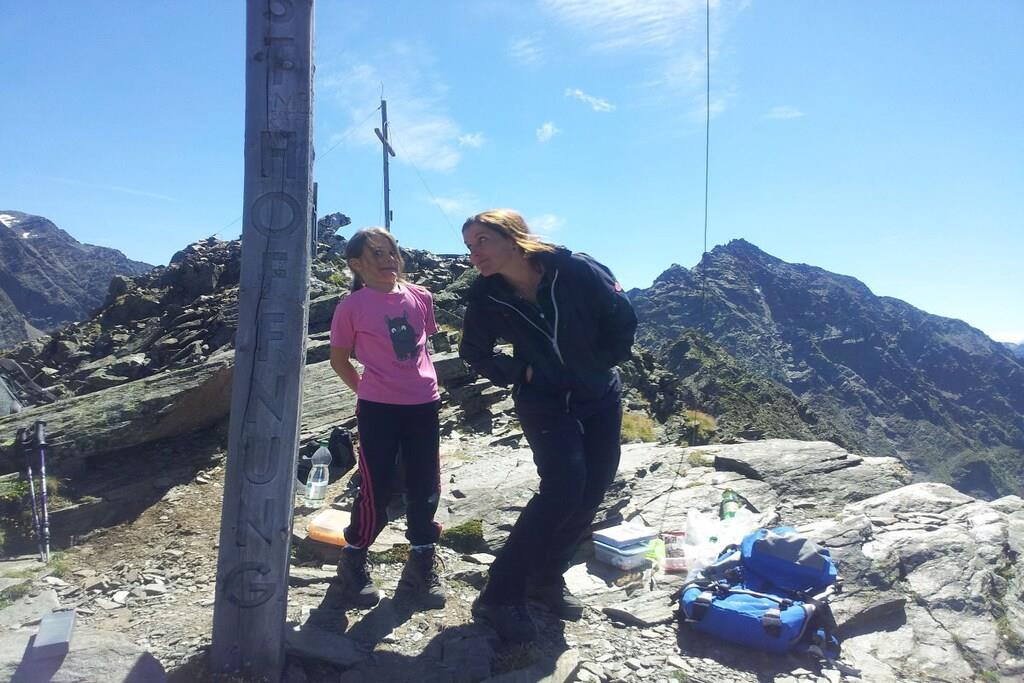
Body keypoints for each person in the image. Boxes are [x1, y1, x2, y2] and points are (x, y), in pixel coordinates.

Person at [459, 209, 638, 642]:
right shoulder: (486, 295)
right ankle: (499, 595)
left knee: (593, 488)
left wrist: (598, 362)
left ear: (512, 237)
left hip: (599, 395)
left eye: (482, 241)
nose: (474, 254)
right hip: (542, 400)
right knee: (563, 489)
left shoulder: (574, 269)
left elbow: (621, 315)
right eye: (468, 246)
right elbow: (474, 351)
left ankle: (546, 578)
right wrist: (521, 373)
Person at [329, 227, 445, 610]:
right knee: (376, 485)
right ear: (356, 264)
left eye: (392, 251)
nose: (388, 259)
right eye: (376, 254)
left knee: (425, 483)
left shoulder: (421, 297)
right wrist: (366, 390)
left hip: (424, 404)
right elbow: (339, 360)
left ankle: (422, 561)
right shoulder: (351, 307)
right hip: (378, 409)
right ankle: (353, 560)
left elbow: (422, 348)